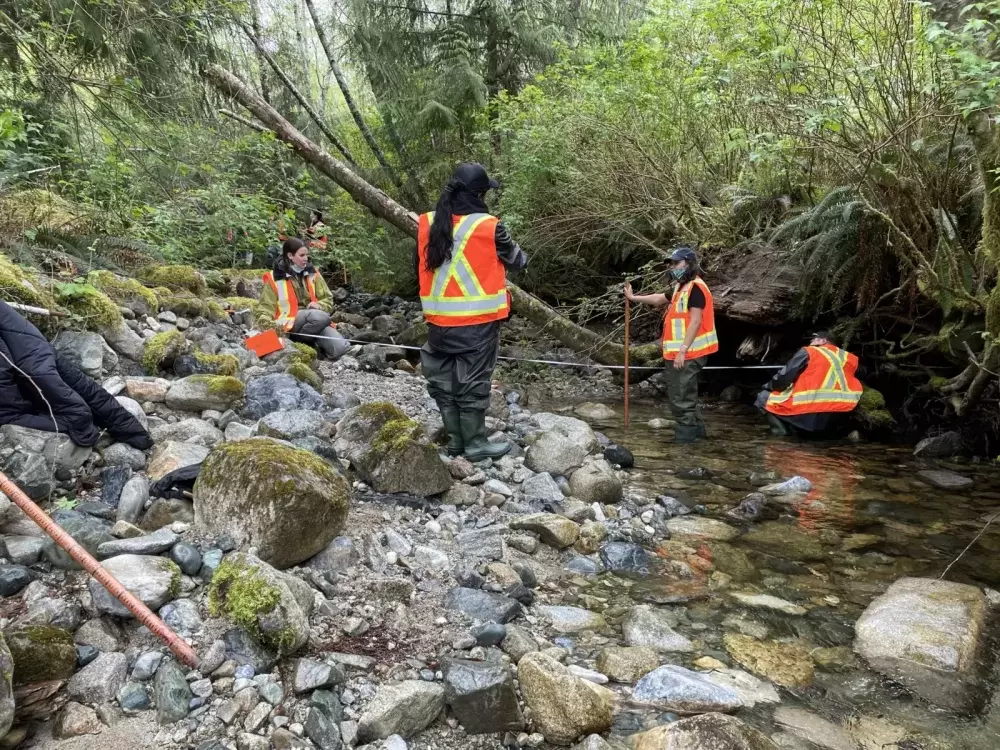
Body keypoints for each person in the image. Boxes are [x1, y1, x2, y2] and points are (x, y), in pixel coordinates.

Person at [416, 162, 527, 462]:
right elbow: (518, 261)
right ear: (479, 194)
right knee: (472, 384)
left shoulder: (427, 222)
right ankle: (476, 444)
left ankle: (455, 442)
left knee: (442, 382)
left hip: (438, 323)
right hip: (477, 325)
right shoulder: (488, 226)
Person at [0, 301, 152, 449]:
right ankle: (137, 435)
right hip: (36, 347)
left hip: (31, 365)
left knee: (10, 414)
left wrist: (12, 408)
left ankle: (90, 435)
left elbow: (3, 370)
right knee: (86, 389)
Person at [625, 246, 718, 443]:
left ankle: (684, 450)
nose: (673, 267)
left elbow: (695, 321)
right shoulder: (681, 286)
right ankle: (700, 443)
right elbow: (660, 299)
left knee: (681, 401)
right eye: (672, 264)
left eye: (676, 263)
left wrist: (682, 351)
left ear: (689, 264)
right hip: (680, 354)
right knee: (686, 400)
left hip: (689, 354)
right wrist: (634, 298)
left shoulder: (696, 288)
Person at [755, 331, 864, 438]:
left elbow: (784, 378)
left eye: (814, 338)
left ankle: (781, 435)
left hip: (809, 413)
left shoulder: (808, 352)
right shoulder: (850, 358)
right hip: (840, 414)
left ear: (823, 340)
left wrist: (768, 386)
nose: (811, 341)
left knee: (762, 397)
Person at [256, 238, 349, 360]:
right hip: (287, 324)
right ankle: (299, 341)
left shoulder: (313, 272)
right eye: (302, 255)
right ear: (290, 255)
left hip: (313, 322)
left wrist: (320, 305)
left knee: (340, 348)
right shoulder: (274, 277)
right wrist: (265, 326)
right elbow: (265, 308)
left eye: (307, 255)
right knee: (320, 317)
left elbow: (328, 299)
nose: (306, 258)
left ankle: (308, 343)